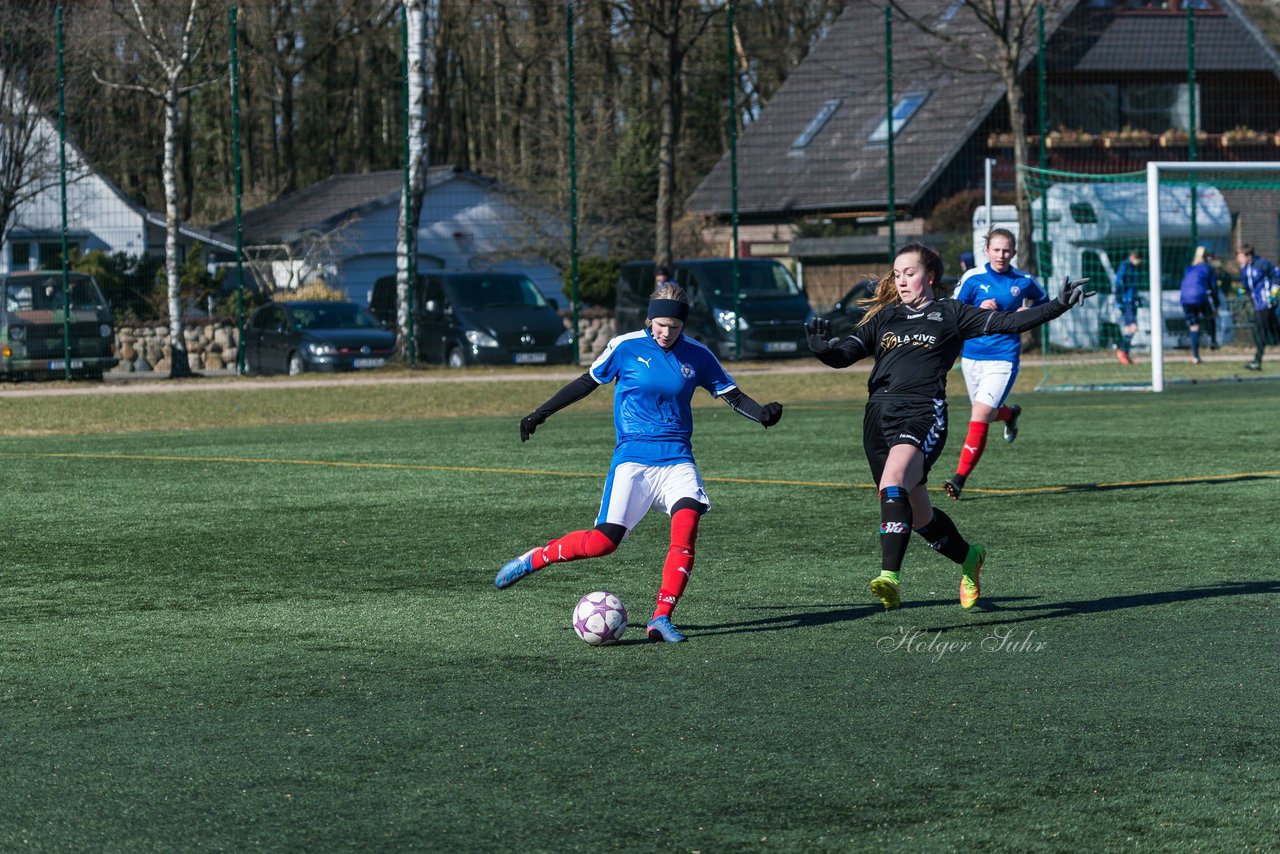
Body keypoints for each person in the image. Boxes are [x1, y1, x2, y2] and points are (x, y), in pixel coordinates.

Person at [804, 242, 1093, 611]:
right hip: (877, 417)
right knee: (920, 515)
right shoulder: (885, 318)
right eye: (897, 274)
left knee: (893, 485)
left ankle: (889, 577)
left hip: (922, 413)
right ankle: (970, 558)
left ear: (930, 277)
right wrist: (822, 350)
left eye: (909, 273)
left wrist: (1056, 305)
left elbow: (1007, 322)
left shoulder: (950, 313)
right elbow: (844, 355)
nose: (902, 280)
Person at [495, 281, 784, 643]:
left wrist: (764, 415)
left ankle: (661, 618)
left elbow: (733, 396)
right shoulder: (626, 346)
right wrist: (541, 413)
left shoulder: (698, 355)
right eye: (660, 325)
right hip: (633, 460)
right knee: (603, 543)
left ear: (684, 325)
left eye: (674, 327)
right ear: (649, 320)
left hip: (677, 458)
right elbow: (586, 382)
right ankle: (537, 557)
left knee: (687, 523)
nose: (666, 333)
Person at [942, 228, 1047, 501]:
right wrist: (977, 310)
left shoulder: (1023, 280)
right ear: (986, 251)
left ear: (1013, 252)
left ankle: (958, 479)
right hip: (972, 357)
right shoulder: (973, 278)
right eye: (997, 249)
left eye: (1007, 250)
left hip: (1003, 358)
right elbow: (952, 312)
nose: (1002, 255)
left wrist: (1030, 312)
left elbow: (1044, 302)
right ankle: (1010, 415)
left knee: (979, 415)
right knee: (986, 413)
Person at [1237, 243, 1278, 371]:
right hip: (1257, 304)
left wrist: (1274, 292)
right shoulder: (1244, 269)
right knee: (1270, 332)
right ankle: (1257, 360)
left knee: (1259, 332)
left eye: (1240, 255)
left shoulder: (1262, 264)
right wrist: (1242, 290)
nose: (1238, 258)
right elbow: (1245, 284)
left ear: (1248, 256)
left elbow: (1277, 275)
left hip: (1266, 303)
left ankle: (1257, 361)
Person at [1178, 247, 1217, 365]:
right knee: (1211, 315)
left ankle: (1195, 356)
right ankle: (1213, 341)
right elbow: (1213, 288)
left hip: (1185, 299)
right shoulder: (1207, 268)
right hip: (1199, 297)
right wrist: (1217, 305)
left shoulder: (1189, 268)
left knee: (1194, 326)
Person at [1113, 248, 1143, 365]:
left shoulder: (1132, 267)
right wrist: (1119, 299)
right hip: (1127, 302)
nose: (1140, 263)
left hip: (1131, 300)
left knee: (1129, 328)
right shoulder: (1125, 266)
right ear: (1134, 257)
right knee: (1133, 327)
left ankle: (1125, 354)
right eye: (1139, 260)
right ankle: (1122, 350)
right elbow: (1118, 282)